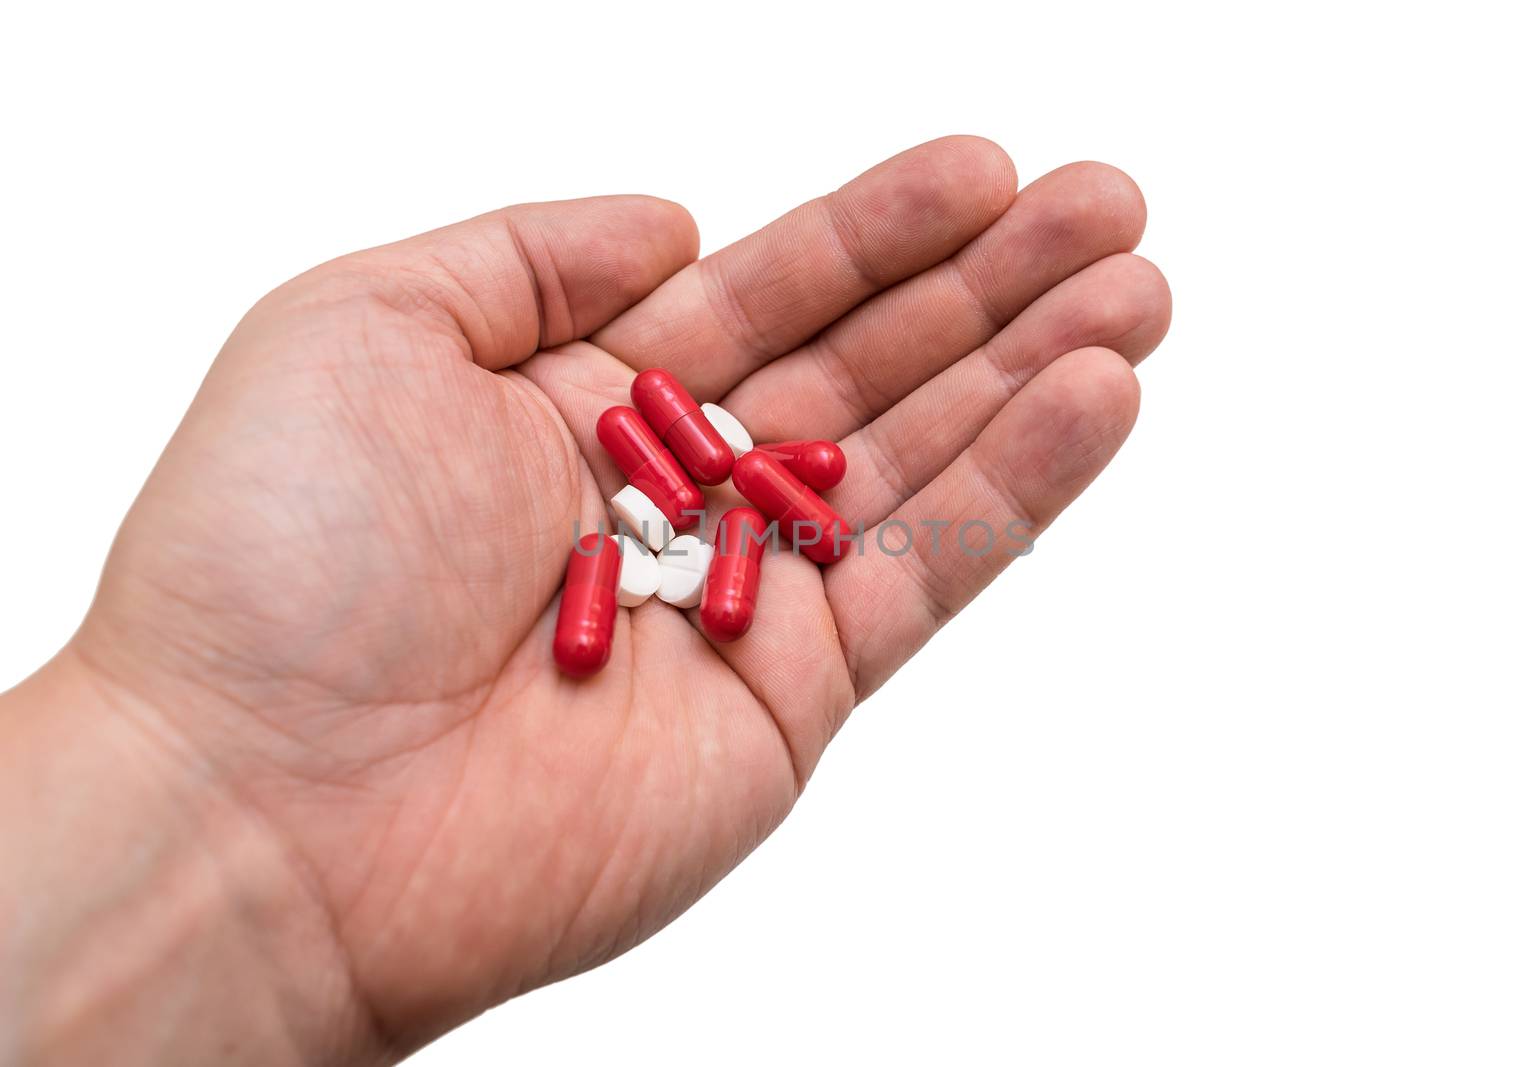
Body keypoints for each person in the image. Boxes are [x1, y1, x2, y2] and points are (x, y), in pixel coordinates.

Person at [0, 136, 1171, 1063]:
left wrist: (183, 772)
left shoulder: (696, 498)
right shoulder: (669, 502)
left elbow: (719, 510)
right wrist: (190, 748)